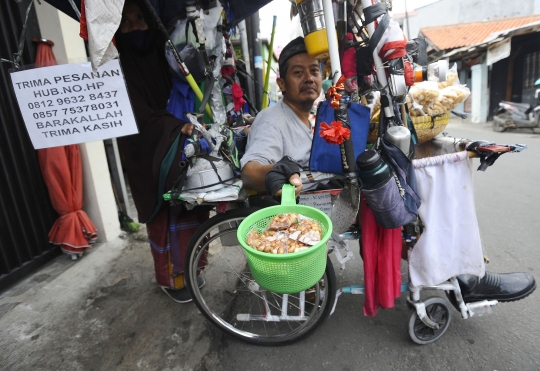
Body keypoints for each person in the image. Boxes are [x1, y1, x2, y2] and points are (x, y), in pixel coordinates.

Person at [240, 36, 536, 303]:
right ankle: (465, 277)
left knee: (417, 172)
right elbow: (251, 169)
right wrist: (278, 172)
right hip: (321, 201)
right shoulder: (272, 119)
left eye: (314, 71)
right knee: (420, 185)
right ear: (281, 83)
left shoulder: (314, 114)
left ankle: (457, 268)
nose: (308, 78)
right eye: (297, 72)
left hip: (338, 187)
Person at [115, 0, 209, 303]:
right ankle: (172, 279)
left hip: (180, 142)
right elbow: (134, 113)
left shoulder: (167, 56)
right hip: (145, 150)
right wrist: (173, 127)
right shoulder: (117, 68)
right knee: (163, 217)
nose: (133, 27)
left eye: (139, 19)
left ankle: (195, 269)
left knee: (191, 207)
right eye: (125, 22)